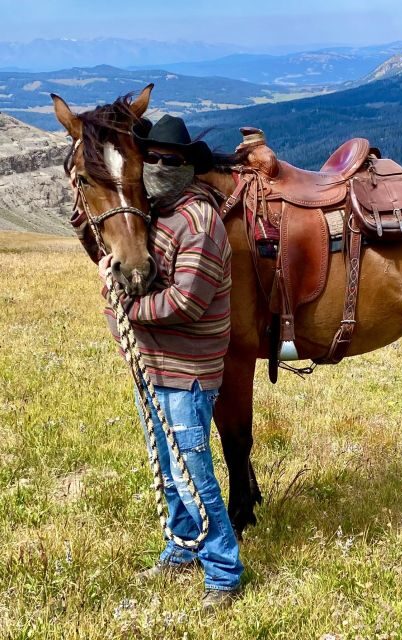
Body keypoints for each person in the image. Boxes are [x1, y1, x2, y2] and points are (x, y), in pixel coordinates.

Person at [98, 115, 243, 611]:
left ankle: (223, 570)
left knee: (192, 472)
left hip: (187, 372)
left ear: (187, 166)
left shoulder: (199, 222)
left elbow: (187, 301)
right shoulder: (154, 215)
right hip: (155, 368)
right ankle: (182, 546)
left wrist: (130, 311)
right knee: (167, 465)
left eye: (171, 160)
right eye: (153, 158)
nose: (160, 166)